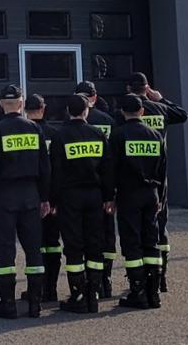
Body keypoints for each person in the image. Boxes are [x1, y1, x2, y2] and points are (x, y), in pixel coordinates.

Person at [0, 84, 51, 319]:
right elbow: (45, 168)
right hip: (31, 195)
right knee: (34, 250)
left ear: (1, 105)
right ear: (21, 104)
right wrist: (45, 197)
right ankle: (35, 304)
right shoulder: (34, 129)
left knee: (5, 251)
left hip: (4, 196)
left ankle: (8, 304)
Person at [49, 94, 112, 314]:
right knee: (95, 243)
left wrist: (53, 200)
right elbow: (107, 169)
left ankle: (78, 296)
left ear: (68, 110)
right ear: (86, 111)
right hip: (94, 196)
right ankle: (93, 295)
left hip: (70, 197)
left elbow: (55, 172)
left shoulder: (60, 136)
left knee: (74, 245)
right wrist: (108, 197)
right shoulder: (98, 134)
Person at [127, 72, 186, 293]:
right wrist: (160, 99)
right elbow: (182, 115)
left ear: (128, 89)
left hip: (132, 179)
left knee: (135, 229)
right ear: (147, 88)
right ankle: (160, 277)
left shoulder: (127, 112)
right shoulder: (161, 110)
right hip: (159, 177)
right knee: (159, 227)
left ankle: (141, 279)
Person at [109, 94, 165, 310]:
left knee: (132, 242)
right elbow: (163, 169)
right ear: (142, 111)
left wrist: (110, 196)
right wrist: (161, 196)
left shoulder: (118, 135)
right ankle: (154, 293)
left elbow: (111, 170)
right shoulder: (155, 135)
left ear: (123, 112)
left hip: (129, 194)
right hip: (151, 193)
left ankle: (138, 292)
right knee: (151, 240)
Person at [73, 81, 120, 299]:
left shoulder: (68, 127)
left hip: (76, 191)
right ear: (93, 97)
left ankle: (86, 286)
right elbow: (112, 162)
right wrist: (111, 193)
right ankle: (105, 280)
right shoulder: (107, 122)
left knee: (81, 236)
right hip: (103, 189)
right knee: (106, 235)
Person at [24, 94, 64, 304]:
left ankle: (36, 290)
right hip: (52, 198)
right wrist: (54, 200)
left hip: (30, 198)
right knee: (53, 243)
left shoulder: (23, 133)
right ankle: (52, 289)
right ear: (44, 108)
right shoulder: (55, 134)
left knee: (35, 245)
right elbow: (57, 171)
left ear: (25, 109)